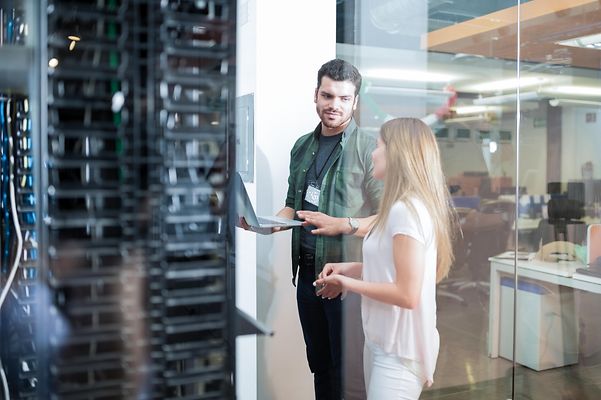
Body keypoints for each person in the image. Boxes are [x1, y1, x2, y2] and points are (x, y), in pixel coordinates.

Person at [241, 58, 383, 400]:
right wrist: (268, 225)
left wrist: (343, 225)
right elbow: (293, 203)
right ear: (316, 95)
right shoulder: (302, 145)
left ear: (355, 102)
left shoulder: (369, 148)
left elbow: (386, 216)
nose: (334, 105)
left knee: (348, 373)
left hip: (348, 278)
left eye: (343, 98)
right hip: (307, 275)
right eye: (328, 96)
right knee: (319, 364)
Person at [314, 117, 456, 399]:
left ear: (397, 154)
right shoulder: (398, 208)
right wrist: (352, 269)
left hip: (399, 353)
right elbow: (393, 270)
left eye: (378, 146)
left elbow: (406, 293)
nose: (373, 153)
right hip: (380, 342)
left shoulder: (407, 211)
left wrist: (347, 283)